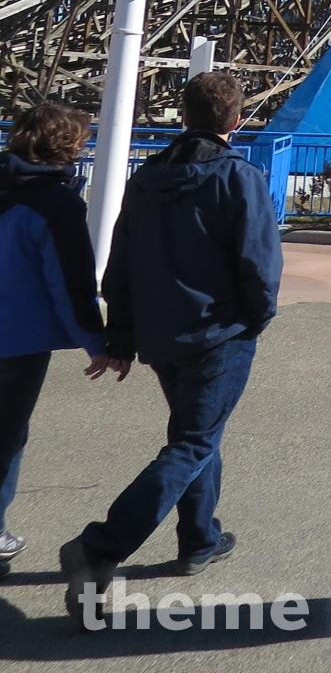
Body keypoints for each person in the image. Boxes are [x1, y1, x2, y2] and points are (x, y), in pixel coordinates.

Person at [61, 71, 283, 629]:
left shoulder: (147, 177)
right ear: (236, 120)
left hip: (161, 334)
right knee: (192, 441)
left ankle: (199, 539)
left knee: (195, 432)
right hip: (219, 332)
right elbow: (259, 261)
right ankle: (101, 546)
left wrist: (122, 334)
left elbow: (121, 259)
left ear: (184, 116)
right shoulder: (238, 176)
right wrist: (257, 318)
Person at [1, 102, 111, 578]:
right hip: (15, 340)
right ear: (67, 146)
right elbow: (68, 283)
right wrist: (95, 341)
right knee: (7, 435)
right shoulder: (55, 203)